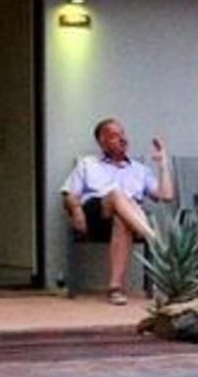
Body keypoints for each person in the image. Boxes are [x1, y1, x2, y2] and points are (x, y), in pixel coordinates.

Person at [61, 117, 174, 305]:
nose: (122, 139)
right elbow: (69, 194)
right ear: (102, 142)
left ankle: (115, 288)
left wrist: (163, 163)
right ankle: (155, 239)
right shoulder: (88, 164)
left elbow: (166, 196)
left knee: (122, 218)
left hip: (127, 219)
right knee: (116, 195)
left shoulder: (140, 169)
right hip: (94, 217)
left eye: (123, 134)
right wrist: (76, 209)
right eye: (115, 136)